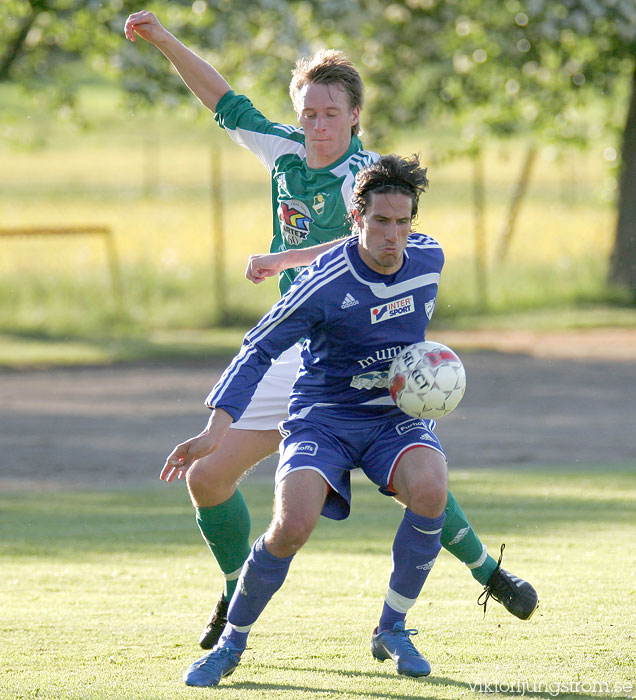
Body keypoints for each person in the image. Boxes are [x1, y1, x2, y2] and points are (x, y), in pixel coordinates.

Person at [124, 12, 538, 651]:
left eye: (329, 112)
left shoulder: (369, 178)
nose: (316, 125)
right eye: (308, 112)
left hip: (349, 349)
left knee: (414, 479)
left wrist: (276, 260)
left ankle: (486, 569)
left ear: (354, 116)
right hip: (289, 344)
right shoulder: (282, 149)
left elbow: (363, 247)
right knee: (208, 479)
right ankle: (237, 589)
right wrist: (162, 40)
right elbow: (220, 98)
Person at [168, 155, 455, 685]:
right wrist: (216, 428)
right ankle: (231, 643)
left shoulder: (430, 257)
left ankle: (392, 628)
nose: (394, 235)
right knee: (291, 527)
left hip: (393, 420)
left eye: (403, 221)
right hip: (322, 418)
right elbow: (258, 348)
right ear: (357, 218)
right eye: (380, 222)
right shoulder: (326, 280)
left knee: (432, 490)